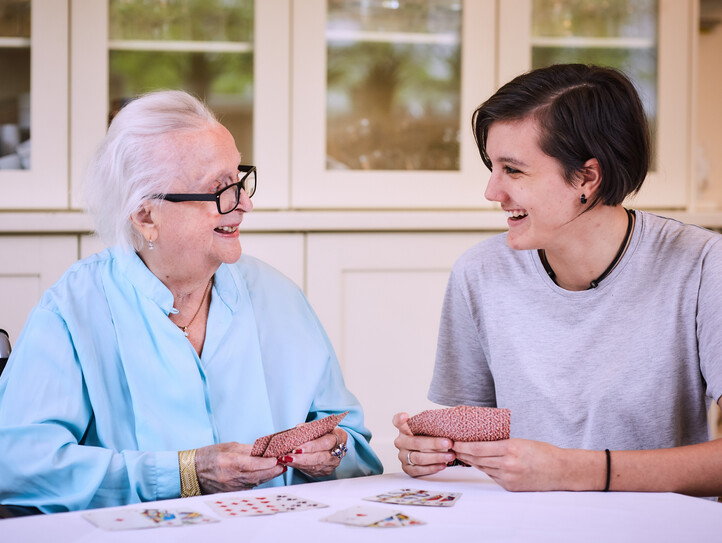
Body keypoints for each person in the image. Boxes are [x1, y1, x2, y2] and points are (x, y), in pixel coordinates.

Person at [0, 90, 382, 513]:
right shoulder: (73, 309)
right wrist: (185, 473)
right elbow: (19, 467)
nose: (245, 204)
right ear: (146, 215)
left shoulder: (279, 296)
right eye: (220, 190)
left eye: (240, 180)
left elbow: (356, 445)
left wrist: (333, 451)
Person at [393, 64, 722, 497]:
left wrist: (574, 471)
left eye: (513, 170)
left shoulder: (701, 265)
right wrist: (433, 453)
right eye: (492, 167)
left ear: (587, 177)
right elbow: (473, 449)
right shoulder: (479, 272)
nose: (492, 192)